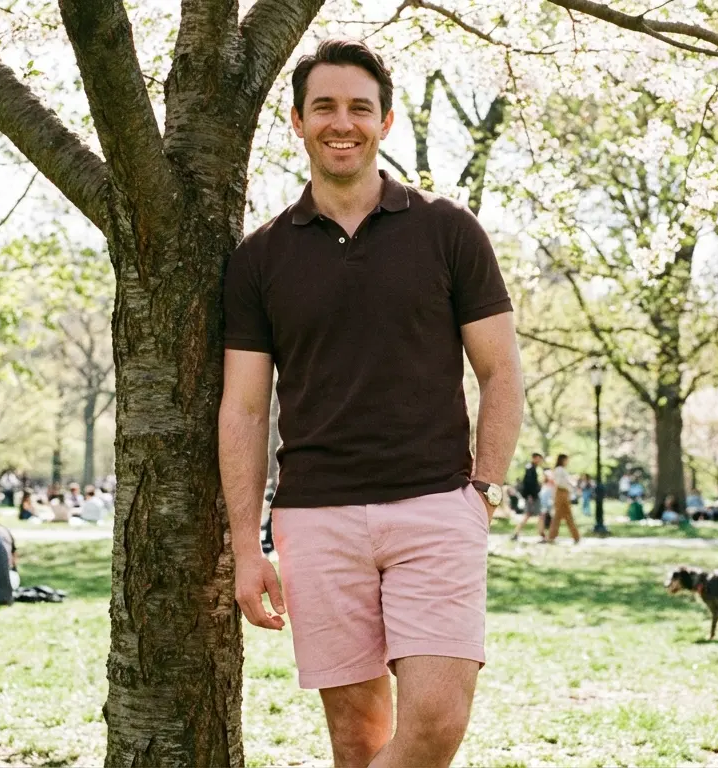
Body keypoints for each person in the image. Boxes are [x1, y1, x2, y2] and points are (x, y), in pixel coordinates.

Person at [219, 38, 522, 768]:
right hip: (315, 519)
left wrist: (483, 489)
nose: (341, 122)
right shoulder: (260, 259)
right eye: (324, 106)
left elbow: (502, 370)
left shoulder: (448, 231)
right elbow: (245, 410)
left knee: (437, 723)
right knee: (356, 741)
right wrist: (245, 546)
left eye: (360, 107)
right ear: (297, 121)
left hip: (435, 506)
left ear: (384, 122)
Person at [546, 454, 581, 544]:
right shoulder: (559, 470)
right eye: (566, 460)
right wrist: (570, 485)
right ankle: (575, 536)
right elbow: (559, 482)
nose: (567, 462)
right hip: (561, 493)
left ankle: (552, 536)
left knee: (561, 516)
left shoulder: (562, 470)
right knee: (562, 515)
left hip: (564, 493)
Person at [512, 453, 545, 541]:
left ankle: (541, 534)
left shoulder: (532, 468)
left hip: (532, 495)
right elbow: (528, 484)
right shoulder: (530, 468)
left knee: (532, 515)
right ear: (534, 458)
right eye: (539, 458)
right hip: (532, 496)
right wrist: (530, 496)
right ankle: (541, 535)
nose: (540, 461)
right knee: (532, 515)